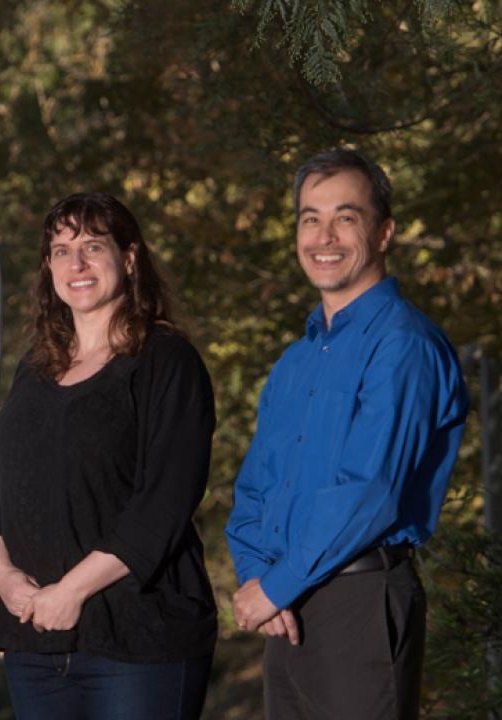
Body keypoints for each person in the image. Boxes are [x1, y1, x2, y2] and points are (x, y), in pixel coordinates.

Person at [226, 148, 469, 719]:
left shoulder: (404, 346)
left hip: (360, 604)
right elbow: (255, 488)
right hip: (287, 608)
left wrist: (274, 586)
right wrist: (258, 576)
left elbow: (371, 490)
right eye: (310, 217)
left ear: (383, 232)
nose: (324, 236)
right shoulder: (296, 361)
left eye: (346, 216)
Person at [0, 192, 217, 719]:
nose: (76, 264)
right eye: (61, 251)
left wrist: (71, 591)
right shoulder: (33, 371)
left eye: (92, 246)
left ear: (129, 258)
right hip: (35, 645)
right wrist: (2, 574)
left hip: (140, 641)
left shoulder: (166, 361)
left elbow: (165, 504)